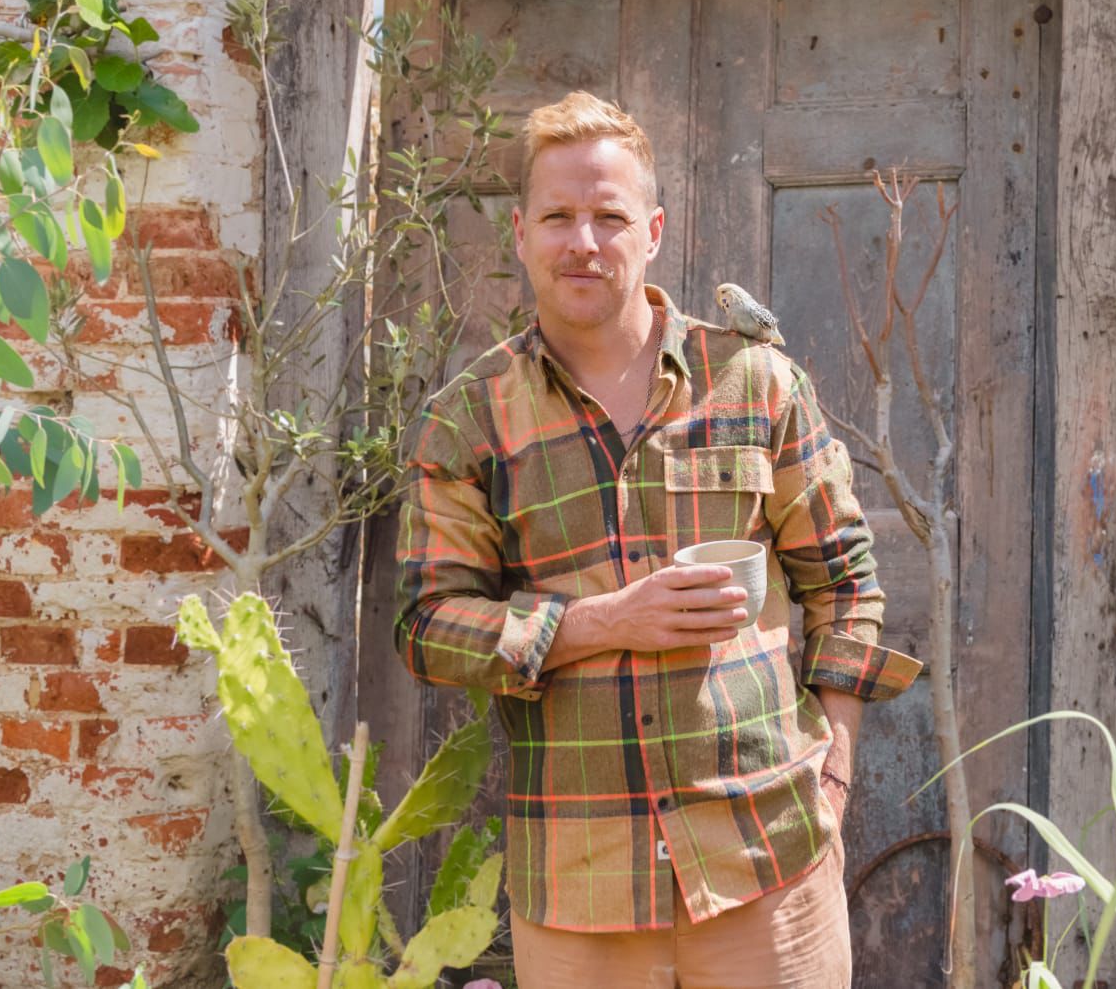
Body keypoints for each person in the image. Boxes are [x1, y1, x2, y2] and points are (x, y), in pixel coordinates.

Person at [394, 90, 923, 988]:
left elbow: (846, 583)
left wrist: (833, 773)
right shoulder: (469, 419)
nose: (584, 242)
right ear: (520, 233)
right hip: (580, 893)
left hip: (768, 868)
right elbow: (427, 625)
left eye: (609, 215)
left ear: (654, 229)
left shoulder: (756, 382)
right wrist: (605, 621)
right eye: (558, 216)